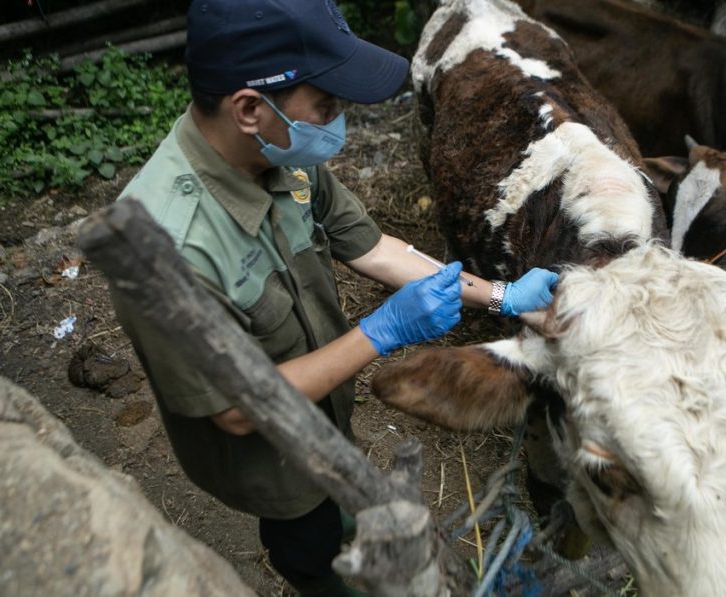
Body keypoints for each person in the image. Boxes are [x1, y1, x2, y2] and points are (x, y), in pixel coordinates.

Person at [107, 0, 558, 595]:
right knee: (314, 547)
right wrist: (380, 332)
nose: (338, 121)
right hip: (276, 459)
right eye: (326, 106)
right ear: (250, 109)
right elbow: (238, 409)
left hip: (328, 417)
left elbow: (372, 247)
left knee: (345, 504)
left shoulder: (280, 154)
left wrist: (503, 296)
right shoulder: (163, 247)